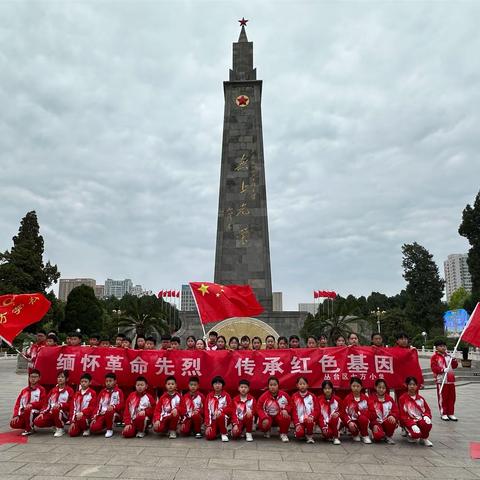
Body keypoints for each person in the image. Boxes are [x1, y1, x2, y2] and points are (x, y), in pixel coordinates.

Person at [34, 370, 74, 437]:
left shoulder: (69, 391)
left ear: (67, 379)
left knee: (56, 409)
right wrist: (42, 413)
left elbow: (71, 404)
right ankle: (55, 424)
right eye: (58, 377)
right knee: (37, 421)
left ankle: (60, 428)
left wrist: (61, 405)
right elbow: (47, 404)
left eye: (62, 377)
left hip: (63, 413)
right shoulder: (53, 390)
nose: (60, 379)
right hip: (51, 412)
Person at [10, 369, 46, 436]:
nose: (33, 379)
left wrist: (32, 405)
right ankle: (28, 424)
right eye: (31, 377)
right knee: (13, 423)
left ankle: (29, 429)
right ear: (29, 378)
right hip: (25, 412)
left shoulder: (41, 390)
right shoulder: (24, 390)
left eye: (35, 377)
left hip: (36, 412)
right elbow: (18, 404)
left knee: (29, 410)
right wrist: (16, 415)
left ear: (39, 378)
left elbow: (43, 403)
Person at [398, 376, 433, 446]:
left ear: (417, 386)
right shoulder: (402, 399)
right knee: (415, 434)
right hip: (408, 421)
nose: (412, 386)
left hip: (419, 419)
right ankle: (409, 433)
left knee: (427, 423)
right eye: (410, 384)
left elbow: (427, 410)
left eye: (414, 385)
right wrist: (412, 424)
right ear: (407, 386)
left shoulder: (420, 399)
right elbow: (402, 415)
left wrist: (427, 416)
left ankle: (424, 438)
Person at [257, 376, 291, 443]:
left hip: (279, 415)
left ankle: (283, 434)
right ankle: (266, 431)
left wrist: (286, 409)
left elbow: (290, 405)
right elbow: (259, 408)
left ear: (278, 385)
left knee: (286, 417)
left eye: (275, 385)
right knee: (265, 422)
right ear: (268, 386)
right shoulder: (264, 396)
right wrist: (264, 417)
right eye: (271, 385)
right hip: (268, 416)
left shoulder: (284, 395)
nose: (273, 387)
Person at [90, 373, 124, 438]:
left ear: (115, 381)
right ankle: (107, 424)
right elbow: (98, 406)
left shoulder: (118, 392)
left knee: (110, 411)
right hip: (102, 414)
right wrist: (94, 417)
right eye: (107, 381)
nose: (108, 383)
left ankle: (109, 429)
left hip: (114, 413)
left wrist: (114, 407)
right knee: (93, 428)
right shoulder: (102, 392)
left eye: (110, 381)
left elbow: (121, 405)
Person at [431, 339, 458, 421]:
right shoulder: (434, 357)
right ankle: (444, 413)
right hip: (441, 381)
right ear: (436, 348)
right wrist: (442, 370)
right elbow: (434, 368)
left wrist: (454, 359)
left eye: (444, 346)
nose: (443, 347)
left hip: (450, 380)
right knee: (443, 398)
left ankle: (451, 413)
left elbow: (454, 366)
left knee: (452, 398)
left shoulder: (449, 356)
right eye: (440, 346)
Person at [341, 377, 371, 443]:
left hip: (363, 421)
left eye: (358, 386)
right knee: (352, 426)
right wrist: (349, 422)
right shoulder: (347, 398)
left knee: (363, 418)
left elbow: (371, 411)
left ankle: (365, 435)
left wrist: (362, 415)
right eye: (353, 386)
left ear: (361, 387)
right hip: (352, 421)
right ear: (350, 387)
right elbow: (343, 413)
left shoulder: (365, 398)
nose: (356, 388)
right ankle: (355, 434)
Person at [368, 379, 398, 444]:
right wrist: (374, 424)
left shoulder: (389, 399)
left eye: (383, 388)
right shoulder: (371, 398)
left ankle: (388, 436)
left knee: (392, 420)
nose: (381, 389)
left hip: (386, 421)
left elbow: (395, 410)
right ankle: (378, 432)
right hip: (376, 422)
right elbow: (369, 413)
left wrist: (392, 416)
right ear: (375, 387)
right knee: (378, 437)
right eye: (379, 387)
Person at [204, 376, 232, 441]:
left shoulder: (226, 396)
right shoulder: (209, 396)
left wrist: (221, 411)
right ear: (212, 385)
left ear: (222, 385)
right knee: (209, 436)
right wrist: (208, 425)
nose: (217, 385)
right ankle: (217, 430)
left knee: (221, 415)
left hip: (224, 418)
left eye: (219, 383)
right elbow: (207, 411)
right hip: (213, 420)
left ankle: (224, 433)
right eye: (215, 384)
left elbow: (230, 408)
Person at [68, 373, 97, 437]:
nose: (83, 383)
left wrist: (83, 413)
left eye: (85, 382)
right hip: (77, 417)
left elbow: (92, 407)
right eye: (82, 381)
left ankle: (86, 429)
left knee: (82, 419)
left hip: (86, 417)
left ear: (90, 382)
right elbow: (73, 408)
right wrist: (72, 422)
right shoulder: (76, 394)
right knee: (72, 433)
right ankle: (79, 427)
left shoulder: (92, 393)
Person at [291, 377, 318, 444]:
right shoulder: (294, 396)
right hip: (299, 421)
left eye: (304, 384)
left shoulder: (312, 396)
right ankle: (300, 432)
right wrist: (297, 424)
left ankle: (309, 435)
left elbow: (317, 409)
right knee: (299, 434)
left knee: (310, 421)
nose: (302, 385)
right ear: (297, 385)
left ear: (307, 385)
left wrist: (312, 416)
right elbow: (293, 412)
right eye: (300, 384)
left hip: (309, 420)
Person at [317, 380, 342, 445]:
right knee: (327, 434)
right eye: (325, 388)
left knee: (335, 418)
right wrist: (323, 426)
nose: (327, 390)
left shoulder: (337, 399)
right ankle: (332, 433)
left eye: (329, 388)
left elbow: (342, 411)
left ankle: (336, 437)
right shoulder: (319, 400)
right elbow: (319, 414)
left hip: (335, 421)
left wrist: (337, 413)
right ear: (322, 390)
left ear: (332, 389)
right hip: (325, 422)